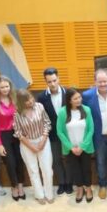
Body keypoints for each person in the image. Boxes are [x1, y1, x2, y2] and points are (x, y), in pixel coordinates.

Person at [82, 69, 107, 200]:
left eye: (105, 81)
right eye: (100, 82)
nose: (103, 84)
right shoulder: (87, 96)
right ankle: (103, 185)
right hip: (98, 135)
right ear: (95, 82)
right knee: (100, 162)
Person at [13, 89, 54, 204]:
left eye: (31, 98)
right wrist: (31, 146)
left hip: (43, 140)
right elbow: (18, 132)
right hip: (27, 143)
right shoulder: (17, 113)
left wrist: (43, 140)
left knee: (47, 169)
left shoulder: (39, 106)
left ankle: (49, 194)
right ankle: (39, 195)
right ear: (21, 102)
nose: (30, 101)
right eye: (26, 101)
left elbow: (47, 123)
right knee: (33, 170)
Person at [0, 76, 26, 200]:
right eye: (2, 87)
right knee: (10, 163)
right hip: (4, 135)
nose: (5, 89)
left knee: (19, 160)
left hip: (18, 133)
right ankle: (14, 186)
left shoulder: (15, 99)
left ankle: (21, 185)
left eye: (7, 86)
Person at [57, 88, 95, 203]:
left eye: (79, 97)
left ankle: (88, 189)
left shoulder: (86, 110)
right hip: (70, 149)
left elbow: (90, 130)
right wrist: (71, 147)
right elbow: (60, 132)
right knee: (75, 170)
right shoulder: (63, 112)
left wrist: (82, 146)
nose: (79, 100)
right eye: (75, 98)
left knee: (86, 169)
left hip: (85, 148)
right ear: (69, 100)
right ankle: (79, 189)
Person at [37, 67, 71, 196]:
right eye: (49, 82)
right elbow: (41, 117)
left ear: (58, 79)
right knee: (56, 160)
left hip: (68, 133)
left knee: (67, 159)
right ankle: (61, 183)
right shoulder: (41, 97)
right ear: (46, 82)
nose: (52, 84)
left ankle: (69, 182)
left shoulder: (68, 93)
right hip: (52, 135)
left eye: (54, 80)